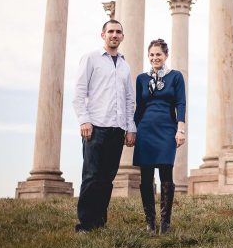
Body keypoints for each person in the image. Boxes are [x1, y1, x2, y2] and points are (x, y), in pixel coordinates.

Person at [72, 19, 136, 233]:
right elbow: (79, 93)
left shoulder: (125, 65)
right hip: (95, 125)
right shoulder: (90, 58)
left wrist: (130, 128)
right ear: (103, 35)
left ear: (122, 37)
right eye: (110, 31)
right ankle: (85, 223)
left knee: (107, 178)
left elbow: (129, 99)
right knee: (91, 175)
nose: (114, 35)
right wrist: (84, 120)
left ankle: (100, 221)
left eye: (118, 32)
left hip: (117, 128)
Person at [133, 38, 186, 233]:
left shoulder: (176, 76)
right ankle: (150, 222)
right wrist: (132, 130)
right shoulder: (141, 79)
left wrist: (180, 129)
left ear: (166, 56)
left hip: (166, 129)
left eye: (159, 54)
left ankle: (165, 223)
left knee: (166, 174)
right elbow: (139, 107)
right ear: (148, 56)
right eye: (152, 55)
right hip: (145, 130)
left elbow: (181, 103)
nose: (155, 58)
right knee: (145, 177)